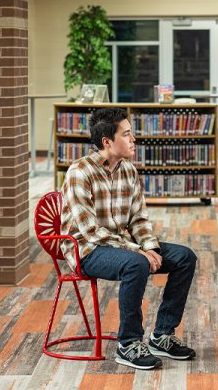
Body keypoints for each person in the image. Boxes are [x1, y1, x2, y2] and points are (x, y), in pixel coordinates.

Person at [61, 107, 197, 370]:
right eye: (127, 134)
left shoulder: (128, 171)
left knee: (184, 257)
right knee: (136, 264)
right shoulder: (80, 172)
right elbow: (91, 231)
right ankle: (128, 344)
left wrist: (150, 246)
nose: (133, 139)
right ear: (107, 141)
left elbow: (138, 219)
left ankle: (162, 336)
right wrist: (138, 252)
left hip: (120, 245)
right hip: (86, 250)